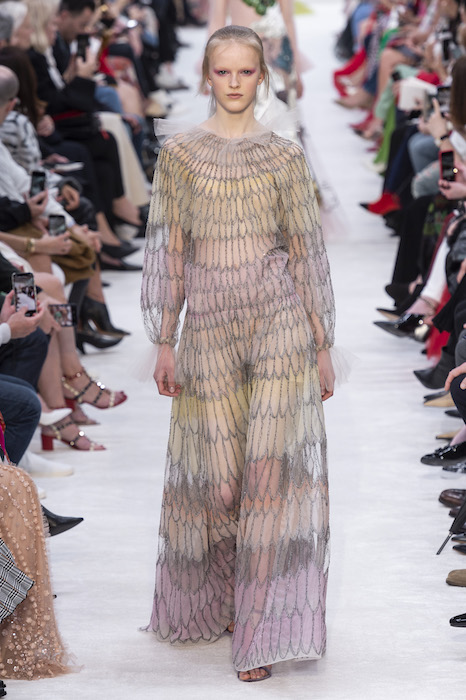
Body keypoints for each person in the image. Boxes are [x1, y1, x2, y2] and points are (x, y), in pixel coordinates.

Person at [141, 25, 336, 683]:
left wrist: (323, 344)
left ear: (261, 77)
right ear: (206, 76)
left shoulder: (284, 156)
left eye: (245, 72)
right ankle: (227, 598)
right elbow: (168, 250)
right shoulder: (180, 154)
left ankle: (257, 633)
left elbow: (306, 251)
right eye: (222, 71)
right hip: (208, 330)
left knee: (267, 484)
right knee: (222, 484)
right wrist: (163, 339)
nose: (233, 83)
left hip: (279, 323)